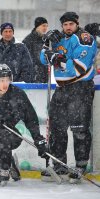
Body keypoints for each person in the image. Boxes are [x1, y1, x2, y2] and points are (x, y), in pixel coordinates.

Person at [40, 12, 97, 184]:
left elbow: (78, 68)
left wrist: (57, 59)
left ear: (77, 23)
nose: (68, 27)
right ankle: (59, 164)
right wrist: (46, 46)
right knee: (57, 128)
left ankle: (80, 165)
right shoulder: (58, 38)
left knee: (79, 129)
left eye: (71, 24)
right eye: (65, 25)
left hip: (80, 89)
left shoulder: (85, 39)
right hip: (62, 88)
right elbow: (44, 59)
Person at [0, 64, 48, 186]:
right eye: (2, 80)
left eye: (7, 80)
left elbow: (31, 119)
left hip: (11, 135)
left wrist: (38, 138)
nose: (5, 84)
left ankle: (5, 168)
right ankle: (12, 163)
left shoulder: (18, 94)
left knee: (3, 135)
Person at [23, 17, 49, 83]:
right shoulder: (28, 40)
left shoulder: (46, 40)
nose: (45, 28)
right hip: (33, 76)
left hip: (45, 76)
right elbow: (24, 60)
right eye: (43, 26)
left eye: (46, 26)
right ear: (37, 26)